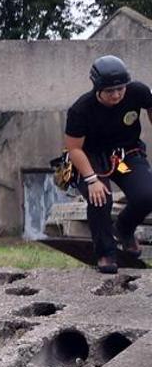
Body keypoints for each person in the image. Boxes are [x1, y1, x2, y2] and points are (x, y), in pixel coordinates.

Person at [62, 55, 152, 274]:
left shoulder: (138, 92)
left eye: (120, 89)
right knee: (101, 198)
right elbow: (74, 148)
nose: (116, 95)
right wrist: (92, 180)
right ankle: (105, 253)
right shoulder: (81, 109)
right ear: (97, 89)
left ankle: (124, 228)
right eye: (110, 91)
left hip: (123, 160)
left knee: (146, 195)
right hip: (91, 160)